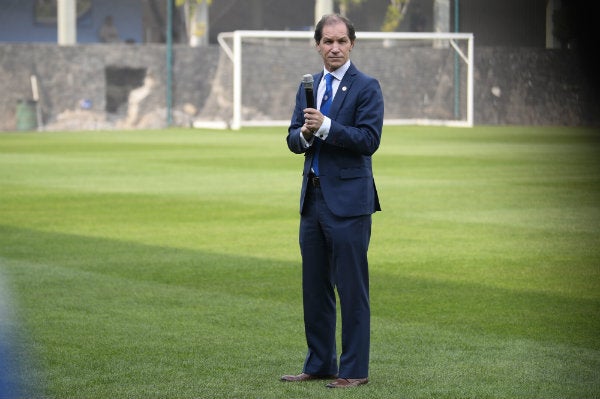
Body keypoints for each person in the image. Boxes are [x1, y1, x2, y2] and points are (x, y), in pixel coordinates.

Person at [282, 14, 384, 389]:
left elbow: (368, 140)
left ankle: (354, 370)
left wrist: (325, 126)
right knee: (315, 288)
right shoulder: (309, 85)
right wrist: (306, 135)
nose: (335, 48)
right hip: (313, 200)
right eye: (328, 42)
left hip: (350, 204)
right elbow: (292, 139)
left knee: (352, 289)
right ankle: (320, 363)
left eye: (341, 41)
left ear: (352, 44)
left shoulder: (367, 87)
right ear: (318, 45)